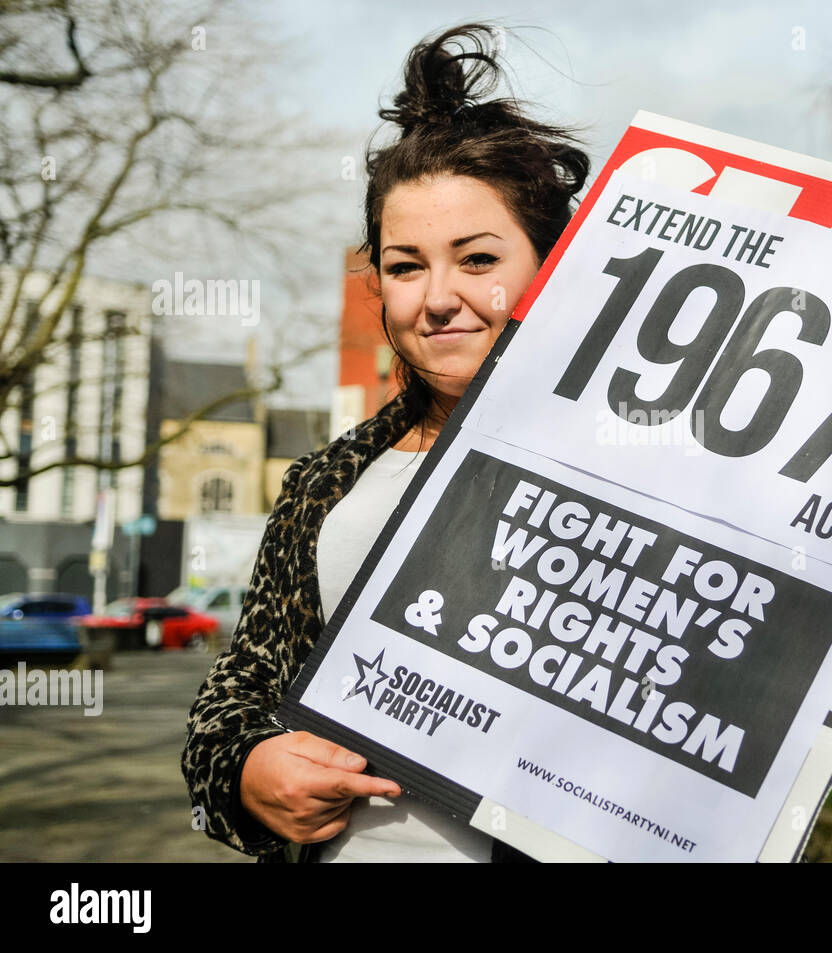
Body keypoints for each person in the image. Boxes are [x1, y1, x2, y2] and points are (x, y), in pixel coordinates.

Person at [182, 22, 589, 862]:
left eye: (478, 259)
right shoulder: (326, 481)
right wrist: (247, 769)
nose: (437, 298)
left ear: (551, 264)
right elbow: (238, 689)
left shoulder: (643, 475)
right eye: (406, 266)